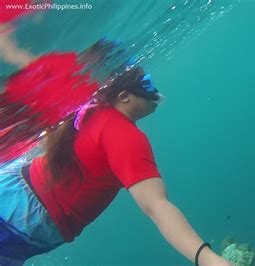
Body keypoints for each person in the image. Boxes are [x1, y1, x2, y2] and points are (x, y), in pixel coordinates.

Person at [0, 64, 232, 265]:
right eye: (147, 85)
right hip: (25, 216)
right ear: (123, 96)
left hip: (14, 188)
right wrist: (208, 258)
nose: (154, 93)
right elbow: (156, 206)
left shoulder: (92, 109)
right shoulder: (124, 135)